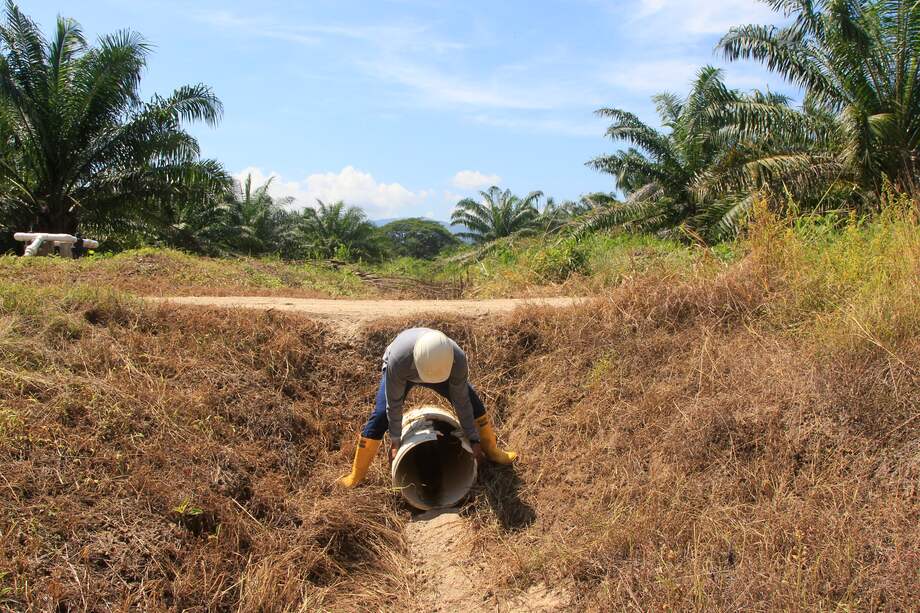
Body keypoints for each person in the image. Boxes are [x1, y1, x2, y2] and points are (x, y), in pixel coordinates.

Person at [338, 327, 517, 488]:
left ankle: (492, 451)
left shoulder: (457, 359)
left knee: (473, 403)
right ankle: (357, 475)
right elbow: (394, 403)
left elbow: (462, 402)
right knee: (379, 417)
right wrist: (395, 441)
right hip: (406, 370)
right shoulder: (399, 359)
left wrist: (474, 440)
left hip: (443, 371)